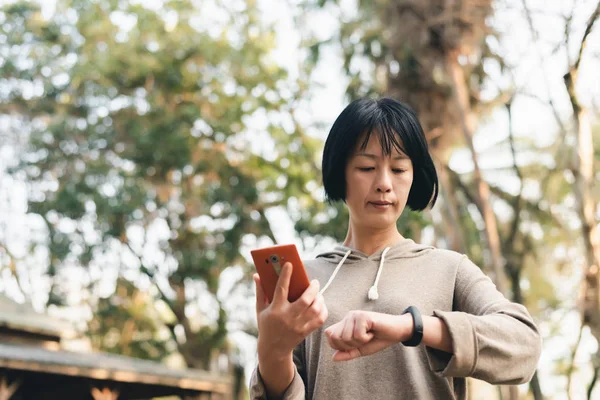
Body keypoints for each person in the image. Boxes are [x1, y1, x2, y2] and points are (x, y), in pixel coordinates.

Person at [249, 97, 542, 399]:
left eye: (399, 169)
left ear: (414, 176)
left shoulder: (449, 269)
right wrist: (272, 351)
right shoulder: (302, 279)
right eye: (366, 167)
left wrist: (411, 327)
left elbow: (524, 346)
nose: (384, 183)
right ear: (340, 172)